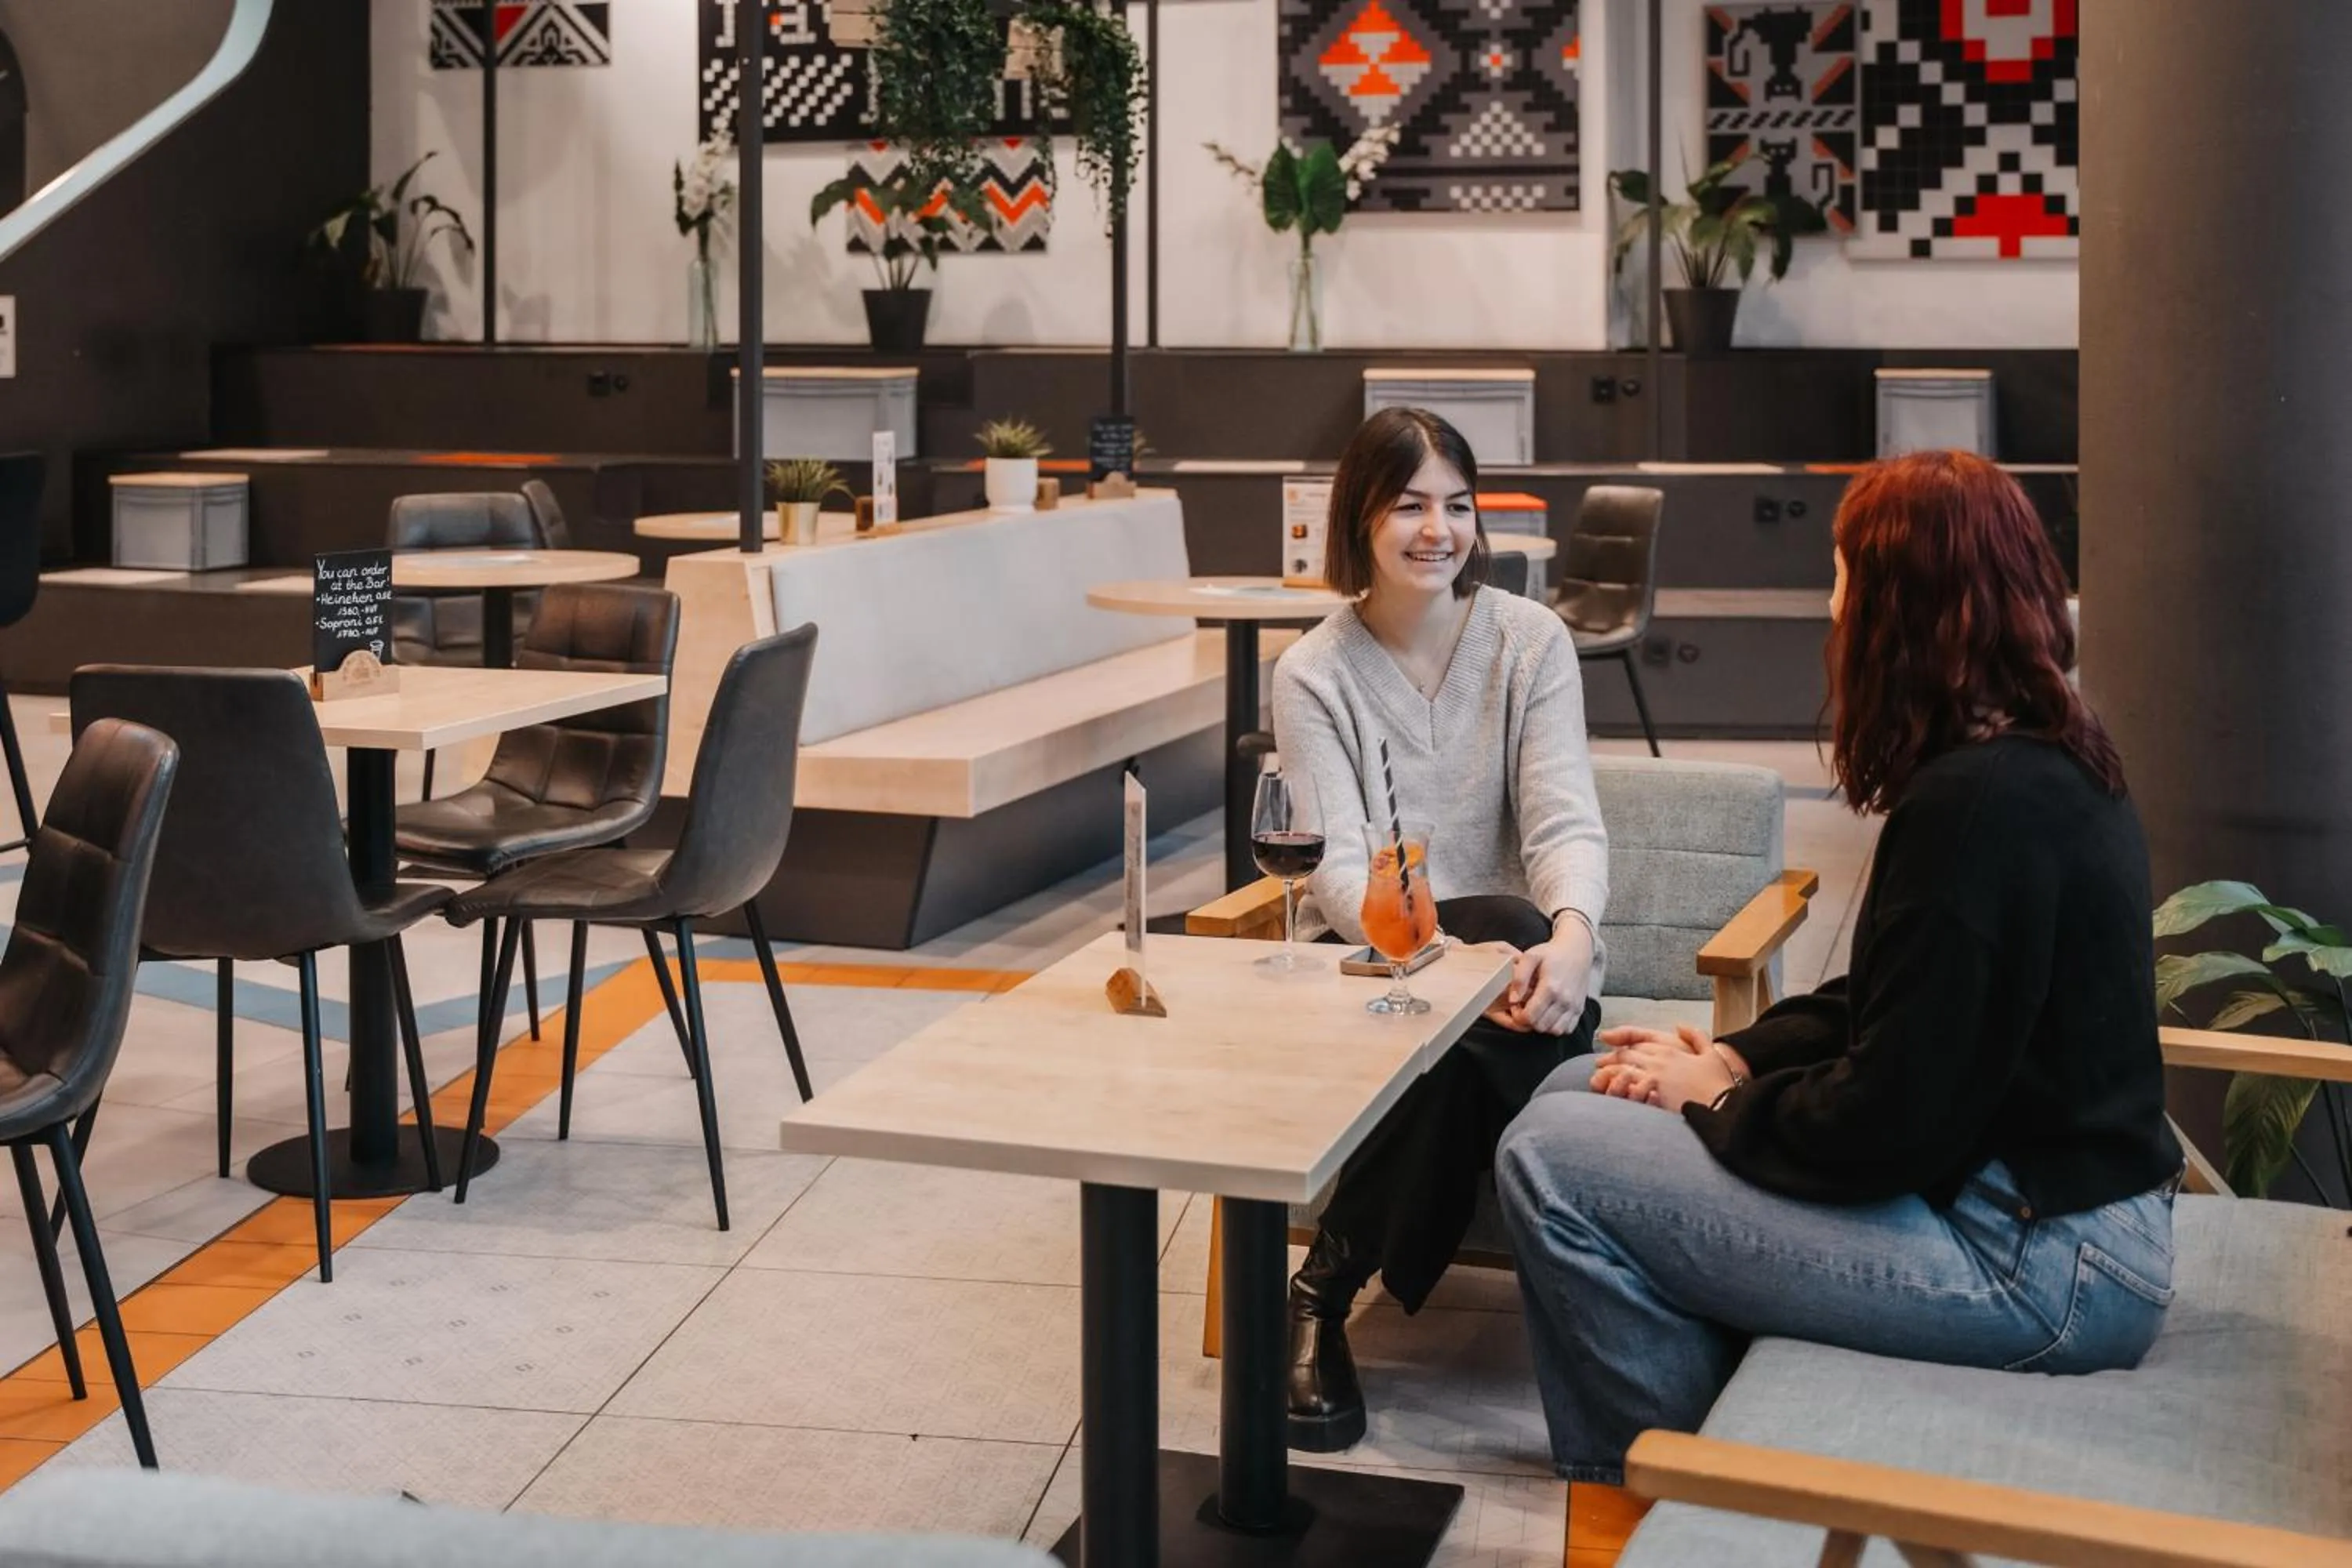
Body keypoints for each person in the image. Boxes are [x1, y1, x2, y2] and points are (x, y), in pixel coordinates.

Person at [1497, 449, 2184, 1486]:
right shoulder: (2045, 757)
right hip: (2055, 1222)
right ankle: (1708, 1455)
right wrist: (1736, 1058)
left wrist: (1714, 1104)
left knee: (1547, 1158)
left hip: (2036, 1267)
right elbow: (1895, 1005)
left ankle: (1677, 1499)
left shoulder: (1976, 810)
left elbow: (1891, 1123)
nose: (1831, 606)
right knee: (1574, 1087)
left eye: (1844, 577)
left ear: (1902, 610)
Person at [1271, 406, 1609, 1451]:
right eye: (1409, 505)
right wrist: (1452, 960)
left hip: (1519, 979)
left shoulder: (1530, 641)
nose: (1439, 530)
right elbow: (1339, 868)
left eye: (1458, 506)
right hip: (1373, 966)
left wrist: (1575, 936)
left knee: (1513, 946)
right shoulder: (1313, 672)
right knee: (1495, 944)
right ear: (1359, 518)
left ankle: (1321, 1290)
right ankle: (1335, 1289)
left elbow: (1563, 821)